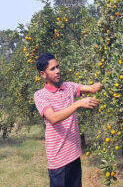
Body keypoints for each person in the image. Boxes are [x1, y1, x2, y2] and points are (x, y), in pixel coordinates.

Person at [34, 53, 103, 187]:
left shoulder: (68, 86)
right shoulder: (40, 95)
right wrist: (77, 104)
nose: (58, 71)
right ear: (43, 74)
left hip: (74, 155)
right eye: (52, 69)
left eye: (58, 67)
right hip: (58, 160)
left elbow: (90, 89)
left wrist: (99, 85)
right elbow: (53, 118)